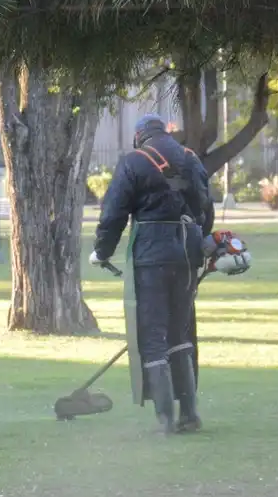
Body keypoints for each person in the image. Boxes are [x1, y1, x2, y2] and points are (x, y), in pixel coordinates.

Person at [88, 114, 214, 433]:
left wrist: (102, 252)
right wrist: (197, 247)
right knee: (180, 331)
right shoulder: (190, 158)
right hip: (187, 255)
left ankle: (165, 420)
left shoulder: (135, 161)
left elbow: (113, 213)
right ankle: (189, 414)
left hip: (150, 257)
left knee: (152, 335)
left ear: (138, 137)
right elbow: (205, 210)